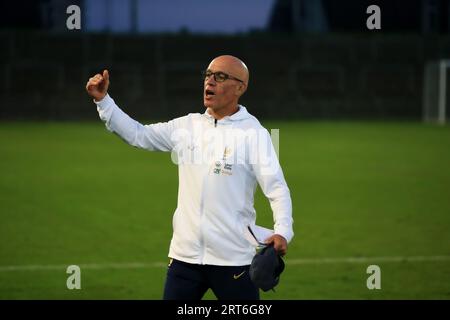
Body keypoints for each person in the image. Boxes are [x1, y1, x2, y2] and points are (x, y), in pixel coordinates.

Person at [86, 55, 293, 300]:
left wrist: (283, 231)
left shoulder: (253, 133)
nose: (210, 81)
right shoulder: (188, 126)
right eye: (208, 74)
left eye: (220, 76)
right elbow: (138, 135)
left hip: (233, 260)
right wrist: (103, 102)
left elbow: (276, 188)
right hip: (185, 259)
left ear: (240, 87)